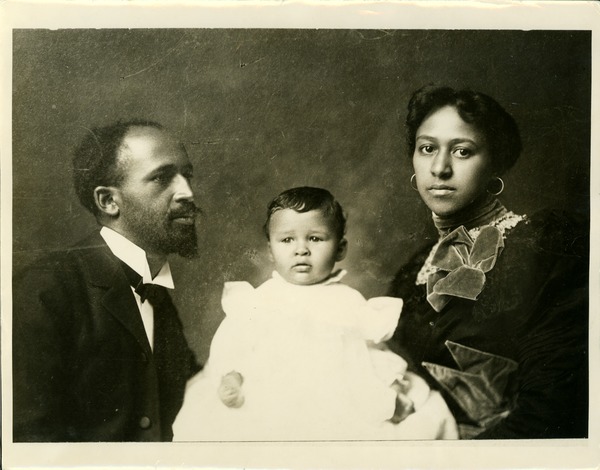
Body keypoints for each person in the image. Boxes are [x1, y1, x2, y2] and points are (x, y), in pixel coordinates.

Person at [173, 187, 457, 441]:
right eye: (287, 240)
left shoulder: (348, 301)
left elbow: (371, 353)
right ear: (270, 250)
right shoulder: (258, 300)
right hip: (269, 396)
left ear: (340, 248)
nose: (301, 250)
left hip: (335, 398)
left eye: (315, 239)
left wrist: (388, 388)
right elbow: (232, 343)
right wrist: (231, 376)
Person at [387, 85, 589, 439]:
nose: (439, 168)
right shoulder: (412, 275)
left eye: (462, 151)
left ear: (495, 162)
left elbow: (554, 408)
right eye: (427, 148)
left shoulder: (544, 247)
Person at [13, 120, 202, 442]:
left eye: (187, 175)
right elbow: (29, 439)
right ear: (108, 201)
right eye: (161, 177)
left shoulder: (155, 288)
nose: (187, 192)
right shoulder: (43, 291)